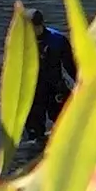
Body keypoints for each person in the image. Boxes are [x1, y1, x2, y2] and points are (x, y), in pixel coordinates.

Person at [24, 9, 77, 150]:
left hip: (55, 89)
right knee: (34, 136)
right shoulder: (22, 44)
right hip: (33, 92)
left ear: (39, 25)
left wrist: (82, 85)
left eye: (32, 28)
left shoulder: (57, 40)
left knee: (67, 127)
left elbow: (71, 66)